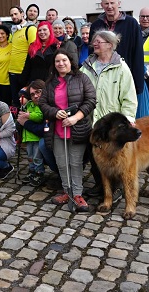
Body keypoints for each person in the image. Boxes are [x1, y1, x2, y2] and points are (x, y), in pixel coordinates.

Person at [80, 30, 137, 201]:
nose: (94, 44)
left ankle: (118, 187)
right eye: (94, 41)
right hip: (91, 120)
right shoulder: (87, 66)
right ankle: (101, 185)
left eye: (99, 41)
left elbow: (129, 96)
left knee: (115, 157)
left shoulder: (121, 68)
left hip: (111, 123)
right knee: (94, 154)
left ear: (110, 45)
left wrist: (128, 120)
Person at [39, 51, 97, 212]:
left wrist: (76, 118)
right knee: (62, 164)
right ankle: (67, 191)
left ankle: (77, 194)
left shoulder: (82, 78)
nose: (61, 63)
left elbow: (91, 100)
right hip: (57, 129)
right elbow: (43, 103)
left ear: (70, 62)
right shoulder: (50, 82)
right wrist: (54, 112)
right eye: (57, 61)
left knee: (75, 163)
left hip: (77, 128)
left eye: (64, 60)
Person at [90, 0, 144, 94]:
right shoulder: (96, 25)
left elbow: (137, 53)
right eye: (106, 3)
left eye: (112, 3)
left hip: (125, 76)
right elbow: (92, 53)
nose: (109, 6)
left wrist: (138, 84)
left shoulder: (131, 24)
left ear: (118, 3)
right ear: (102, 5)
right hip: (102, 78)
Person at [16, 80, 47, 186]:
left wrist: (28, 117)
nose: (35, 96)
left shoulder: (39, 107)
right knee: (30, 156)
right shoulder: (29, 105)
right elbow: (21, 121)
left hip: (37, 138)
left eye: (38, 92)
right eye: (32, 94)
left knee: (37, 157)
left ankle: (39, 173)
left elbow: (39, 117)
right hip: (28, 137)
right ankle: (32, 171)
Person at [7, 6, 36, 106]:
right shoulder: (14, 31)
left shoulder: (30, 29)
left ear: (22, 14)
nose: (14, 17)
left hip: (23, 72)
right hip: (12, 72)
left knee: (26, 102)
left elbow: (34, 51)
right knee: (16, 103)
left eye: (16, 14)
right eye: (11, 15)